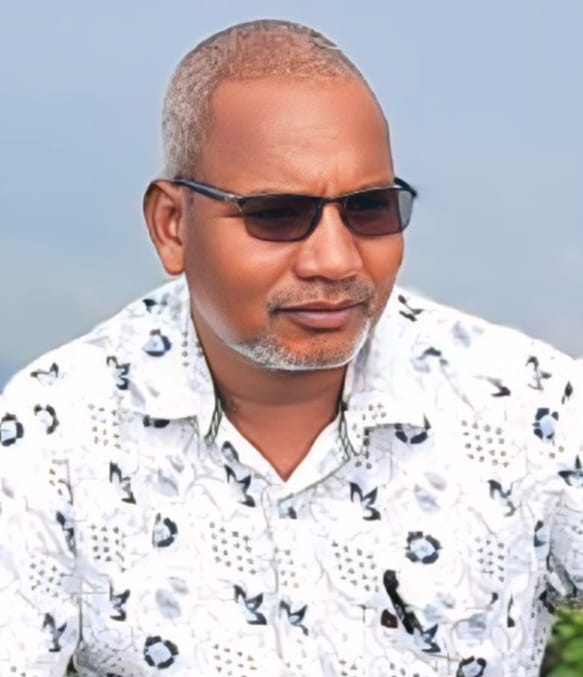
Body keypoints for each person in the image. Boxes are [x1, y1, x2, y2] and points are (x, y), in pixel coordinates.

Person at [0, 18, 580, 677]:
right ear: (172, 225)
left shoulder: (526, 407)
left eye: (369, 209)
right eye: (276, 214)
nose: (334, 259)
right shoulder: (56, 430)